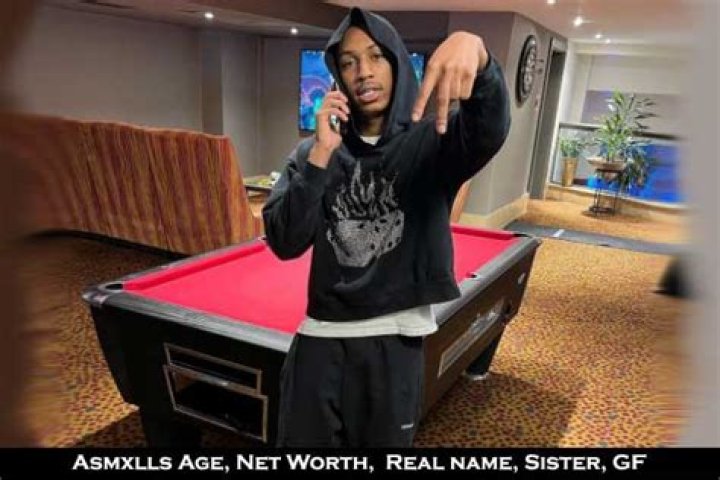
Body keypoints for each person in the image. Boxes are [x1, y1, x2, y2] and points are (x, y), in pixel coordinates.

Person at [262, 7, 510, 447]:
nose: (363, 71)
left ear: (396, 63)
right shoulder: (313, 152)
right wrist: (320, 156)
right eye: (349, 62)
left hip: (395, 343)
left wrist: (479, 55)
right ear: (338, 76)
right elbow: (284, 240)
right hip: (321, 338)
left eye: (376, 56)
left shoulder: (434, 141)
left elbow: (489, 127)